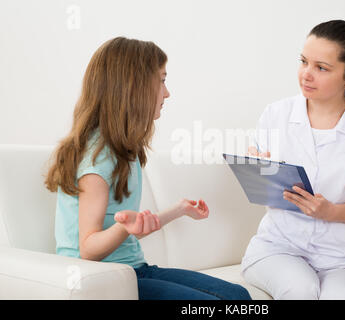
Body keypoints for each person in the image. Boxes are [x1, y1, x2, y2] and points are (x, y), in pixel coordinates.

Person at [45, 37, 251, 300]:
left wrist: (179, 209)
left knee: (237, 295)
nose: (167, 93)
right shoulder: (96, 161)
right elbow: (88, 249)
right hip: (103, 281)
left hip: (133, 271)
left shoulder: (125, 150)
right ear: (134, 88)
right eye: (162, 80)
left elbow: (130, 227)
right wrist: (125, 229)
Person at [241, 20, 345, 300]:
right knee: (301, 289)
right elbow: (261, 188)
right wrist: (259, 171)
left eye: (321, 68)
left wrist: (330, 212)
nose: (306, 75)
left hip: (341, 255)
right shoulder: (276, 115)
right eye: (303, 62)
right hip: (279, 246)